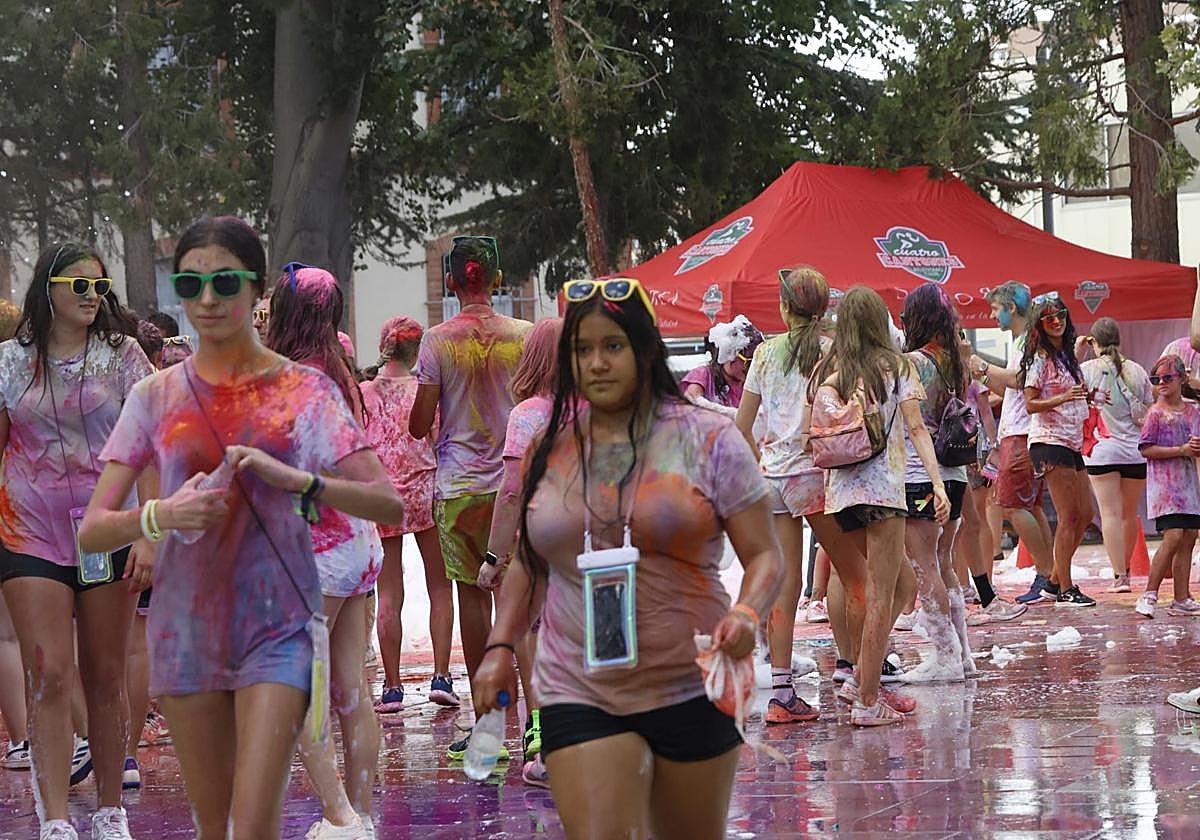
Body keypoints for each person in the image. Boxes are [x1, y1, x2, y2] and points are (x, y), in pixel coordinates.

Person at [79, 216, 404, 840]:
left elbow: (385, 503)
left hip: (277, 624)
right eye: (190, 282)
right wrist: (163, 515)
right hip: (188, 627)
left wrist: (299, 482)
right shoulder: (155, 395)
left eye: (223, 282)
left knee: (253, 820)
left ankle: (346, 816)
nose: (205, 299)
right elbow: (93, 530)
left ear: (256, 290)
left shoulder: (302, 390)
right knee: (214, 823)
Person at [471, 276, 783, 839]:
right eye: (581, 350)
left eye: (612, 346)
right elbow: (529, 559)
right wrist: (498, 646)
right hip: (576, 684)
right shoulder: (552, 446)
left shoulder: (707, 438)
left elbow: (764, 555)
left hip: (689, 681)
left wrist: (747, 613)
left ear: (644, 348)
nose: (596, 363)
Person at [0, 242, 153, 840]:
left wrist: (149, 531)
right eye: (80, 285)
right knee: (50, 673)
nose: (93, 296)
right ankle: (56, 815)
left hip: (107, 528)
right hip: (29, 529)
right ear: (50, 289)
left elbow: (152, 446)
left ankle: (111, 809)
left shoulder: (124, 357)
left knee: (104, 674)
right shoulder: (10, 363)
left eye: (101, 286)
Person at [266, 264, 384, 839]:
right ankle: (359, 813)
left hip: (316, 549)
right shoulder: (341, 370)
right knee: (350, 687)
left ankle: (340, 816)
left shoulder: (292, 381)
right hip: (357, 545)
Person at [734, 266, 878, 724]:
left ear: (783, 307)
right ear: (822, 308)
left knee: (786, 584)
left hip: (771, 478)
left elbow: (742, 426)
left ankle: (781, 694)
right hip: (816, 476)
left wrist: (763, 459)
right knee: (858, 577)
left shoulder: (762, 354)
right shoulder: (831, 351)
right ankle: (861, 676)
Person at [408, 235, 532, 760]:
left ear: (452, 281)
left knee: (472, 601)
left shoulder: (436, 341)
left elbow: (419, 424)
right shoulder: (524, 336)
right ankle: (536, 723)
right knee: (521, 602)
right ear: (497, 280)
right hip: (515, 484)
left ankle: (488, 726)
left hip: (458, 488)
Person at [812, 286, 944, 724]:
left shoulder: (828, 373)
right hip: (885, 494)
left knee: (901, 585)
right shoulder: (897, 367)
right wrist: (937, 483)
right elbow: (917, 428)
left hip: (840, 498)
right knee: (882, 594)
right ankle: (868, 701)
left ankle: (860, 678)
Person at [479, 316, 563, 787]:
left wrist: (494, 557)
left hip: (542, 543)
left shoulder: (527, 415)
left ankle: (551, 748)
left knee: (539, 638)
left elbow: (511, 492)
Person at [361, 316, 458, 712]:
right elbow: (436, 437)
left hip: (383, 496)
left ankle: (393, 687)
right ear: (418, 350)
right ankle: (440, 675)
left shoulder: (365, 391)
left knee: (389, 594)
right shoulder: (425, 390)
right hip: (426, 491)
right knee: (439, 586)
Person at [899, 284, 974, 681]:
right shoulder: (955, 361)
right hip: (956, 473)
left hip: (920, 474)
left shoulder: (911, 362)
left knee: (924, 564)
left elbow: (912, 422)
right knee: (944, 561)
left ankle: (945, 656)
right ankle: (962, 654)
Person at [969, 282, 1057, 605]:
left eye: (995, 309)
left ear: (1012, 309)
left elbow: (1017, 381)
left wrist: (979, 365)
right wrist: (982, 374)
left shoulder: (1026, 343)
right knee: (1029, 506)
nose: (992, 316)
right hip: (1020, 432)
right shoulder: (1024, 341)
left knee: (1013, 507)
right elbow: (1008, 383)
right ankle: (1051, 574)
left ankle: (1047, 573)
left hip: (1019, 435)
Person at [1019, 292, 1096, 607]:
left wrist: (1083, 397)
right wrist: (1063, 398)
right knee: (1070, 515)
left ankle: (1054, 581)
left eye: (1061, 315)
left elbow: (1071, 391)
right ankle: (1065, 587)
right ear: (1039, 323)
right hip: (1049, 440)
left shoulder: (1065, 356)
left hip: (1070, 440)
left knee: (1086, 514)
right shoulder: (1040, 358)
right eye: (1049, 318)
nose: (1057, 321)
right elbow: (1030, 403)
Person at [1080, 317, 1152, 592]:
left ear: (1093, 342)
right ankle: (1129, 572)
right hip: (1134, 451)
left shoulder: (1087, 369)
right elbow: (1148, 409)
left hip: (1101, 449)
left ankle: (1119, 576)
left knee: (1108, 513)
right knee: (1128, 514)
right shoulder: (1137, 370)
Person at [1135, 355, 1200, 619]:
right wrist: (1181, 450)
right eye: (1156, 379)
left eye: (1167, 378)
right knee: (1173, 536)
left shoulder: (1192, 411)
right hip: (1165, 489)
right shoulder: (1156, 413)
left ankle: (1181, 597)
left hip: (1188, 487)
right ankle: (1150, 593)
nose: (1161, 383)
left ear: (1182, 378)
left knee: (1189, 538)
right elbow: (1146, 448)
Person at [682, 315, 763, 412]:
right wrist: (732, 414)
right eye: (749, 362)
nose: (753, 368)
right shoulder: (703, 374)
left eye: (758, 362)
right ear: (731, 354)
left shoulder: (752, 383)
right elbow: (691, 401)